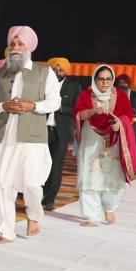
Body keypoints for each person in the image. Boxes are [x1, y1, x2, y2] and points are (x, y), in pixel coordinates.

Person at [0, 26, 60, 244]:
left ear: (30, 47)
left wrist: (31, 105)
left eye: (20, 44)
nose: (15, 48)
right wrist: (3, 106)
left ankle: (33, 216)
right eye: (13, 44)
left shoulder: (45, 72)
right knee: (3, 183)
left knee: (32, 183)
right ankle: (6, 231)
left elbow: (55, 101)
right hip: (2, 137)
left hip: (32, 137)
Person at [73, 65, 136, 226]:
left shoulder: (121, 96)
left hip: (112, 142)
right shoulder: (86, 95)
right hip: (90, 142)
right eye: (101, 79)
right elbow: (78, 114)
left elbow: (127, 116)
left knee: (111, 175)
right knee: (89, 176)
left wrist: (119, 124)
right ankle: (92, 217)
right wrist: (93, 111)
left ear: (113, 80)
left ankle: (110, 208)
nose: (104, 82)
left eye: (108, 79)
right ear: (95, 79)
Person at [41, 57, 82, 211]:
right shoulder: (42, 85)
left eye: (61, 70)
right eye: (55, 69)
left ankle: (50, 198)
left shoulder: (74, 87)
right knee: (40, 164)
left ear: (66, 72)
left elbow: (77, 109)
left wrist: (60, 108)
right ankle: (39, 195)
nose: (58, 72)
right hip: (41, 131)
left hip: (61, 132)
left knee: (56, 166)